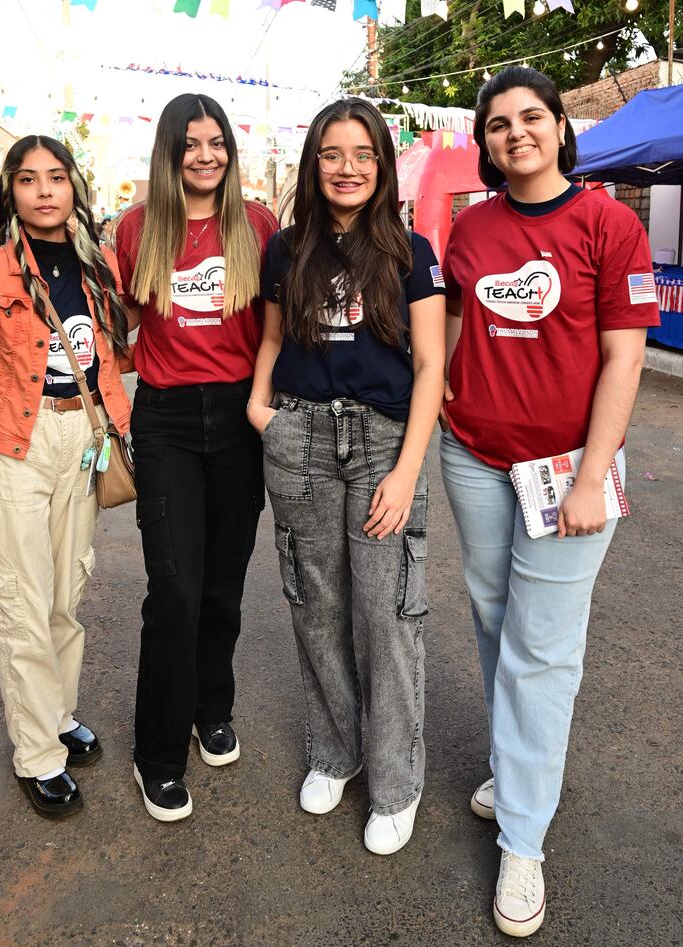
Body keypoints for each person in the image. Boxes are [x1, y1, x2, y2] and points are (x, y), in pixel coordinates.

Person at [438, 66, 660, 936]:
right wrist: (448, 398)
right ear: (486, 144)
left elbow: (626, 356)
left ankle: (524, 839)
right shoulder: (472, 229)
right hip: (475, 460)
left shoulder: (606, 223)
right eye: (497, 125)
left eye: (531, 117)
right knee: (496, 621)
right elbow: (452, 323)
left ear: (560, 127)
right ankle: (513, 760)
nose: (515, 134)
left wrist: (591, 472)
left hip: (569, 470)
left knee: (544, 650)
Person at [247, 98, 446, 855]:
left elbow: (430, 367)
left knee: (388, 613)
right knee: (314, 600)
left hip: (379, 443)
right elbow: (270, 337)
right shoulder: (287, 247)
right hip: (297, 433)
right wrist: (263, 409)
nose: (348, 167)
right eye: (333, 153)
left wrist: (404, 470)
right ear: (313, 161)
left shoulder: (411, 251)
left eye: (363, 154)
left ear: (383, 163)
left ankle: (396, 783)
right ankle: (336, 752)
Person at [0, 135, 131, 818]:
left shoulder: (99, 265)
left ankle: (55, 713)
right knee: (22, 597)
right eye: (28, 179)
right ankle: (37, 753)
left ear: (74, 186)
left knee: (66, 587)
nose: (45, 190)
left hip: (82, 434)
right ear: (11, 193)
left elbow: (120, 350)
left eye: (56, 177)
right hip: (13, 443)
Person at [115, 94, 278, 822]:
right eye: (191, 144)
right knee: (173, 586)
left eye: (217, 143)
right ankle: (158, 751)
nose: (206, 155)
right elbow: (116, 322)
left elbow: (279, 329)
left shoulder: (260, 224)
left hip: (241, 416)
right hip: (167, 420)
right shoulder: (136, 228)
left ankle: (212, 705)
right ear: (170, 151)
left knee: (222, 585)